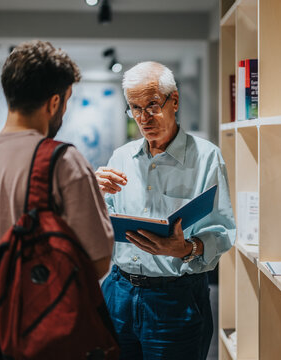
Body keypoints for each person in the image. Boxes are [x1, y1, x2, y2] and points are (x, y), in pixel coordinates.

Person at [0, 40, 115, 360]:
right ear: (54, 103)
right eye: (66, 102)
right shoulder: (64, 162)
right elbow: (99, 261)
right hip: (48, 346)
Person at [96, 61, 235, 360]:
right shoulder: (121, 157)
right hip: (118, 292)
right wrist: (92, 193)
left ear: (175, 102)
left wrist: (186, 247)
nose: (143, 118)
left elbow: (223, 231)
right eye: (134, 108)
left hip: (175, 298)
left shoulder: (207, 157)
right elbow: (99, 225)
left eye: (152, 105)